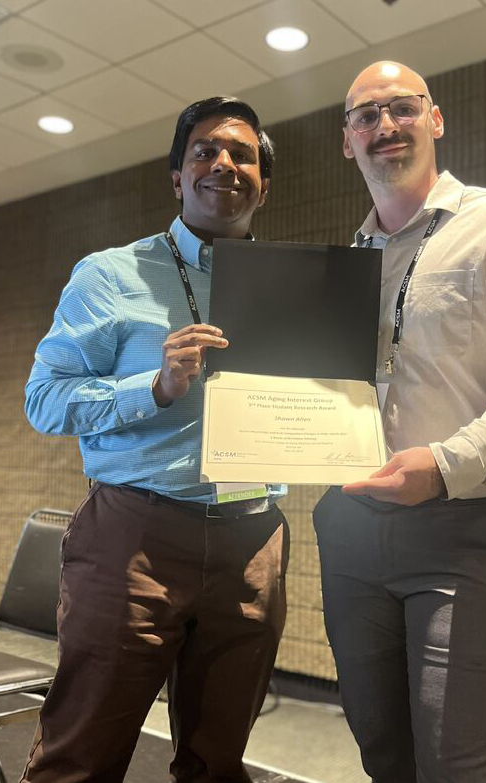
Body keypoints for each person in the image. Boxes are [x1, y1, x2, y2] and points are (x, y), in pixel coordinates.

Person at [313, 61, 486, 783]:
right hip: (350, 534)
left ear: (434, 119)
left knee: (462, 769)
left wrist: (445, 463)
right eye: (366, 115)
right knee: (384, 755)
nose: (385, 125)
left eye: (401, 107)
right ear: (347, 140)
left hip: (469, 527)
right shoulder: (343, 267)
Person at [22, 97, 288, 783]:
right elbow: (44, 400)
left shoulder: (295, 291)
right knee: (79, 758)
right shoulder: (109, 275)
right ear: (177, 176)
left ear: (264, 181)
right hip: (133, 540)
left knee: (218, 763)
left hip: (252, 540)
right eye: (204, 150)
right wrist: (154, 386)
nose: (223, 163)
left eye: (243, 155)